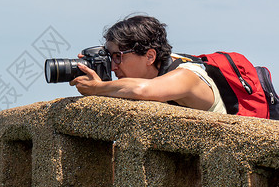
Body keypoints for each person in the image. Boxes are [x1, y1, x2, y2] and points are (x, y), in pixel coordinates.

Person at [69, 14, 227, 113]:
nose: (113, 66)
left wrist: (97, 88)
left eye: (118, 56)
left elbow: (140, 89)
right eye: (110, 57)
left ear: (150, 56)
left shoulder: (186, 75)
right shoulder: (153, 76)